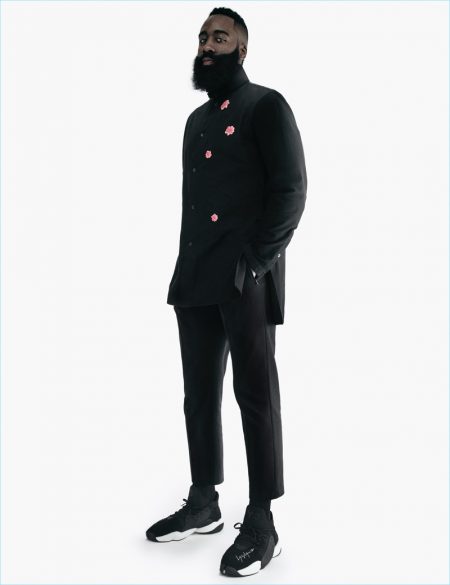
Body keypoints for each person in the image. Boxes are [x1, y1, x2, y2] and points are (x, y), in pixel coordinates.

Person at [146, 6, 307, 577]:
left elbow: (291, 191)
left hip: (245, 278)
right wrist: (184, 269)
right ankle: (204, 502)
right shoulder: (196, 121)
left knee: (255, 395)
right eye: (202, 37)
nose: (207, 45)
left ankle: (262, 521)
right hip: (195, 275)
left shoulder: (266, 105)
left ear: (242, 49)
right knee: (197, 395)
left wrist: (255, 264)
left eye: (220, 37)